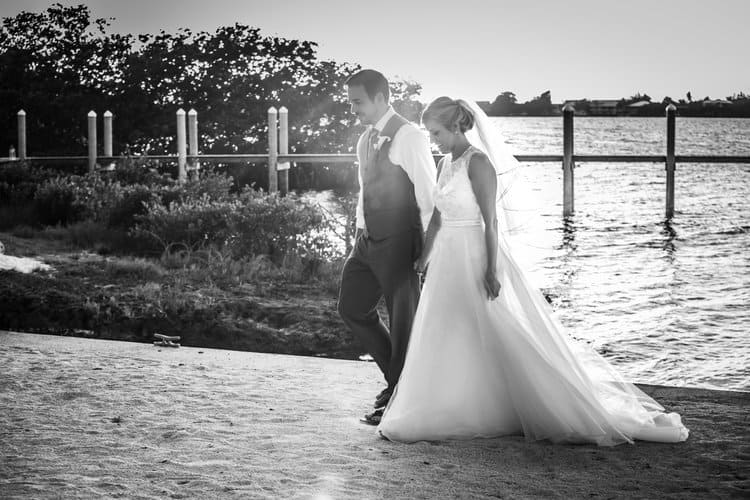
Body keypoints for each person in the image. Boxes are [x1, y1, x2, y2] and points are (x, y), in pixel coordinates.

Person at [376, 97, 689, 445]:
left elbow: (491, 223)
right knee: (446, 327)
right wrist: (424, 257)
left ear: (453, 126)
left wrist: (491, 270)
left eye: (435, 132)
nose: (432, 139)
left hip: (473, 253)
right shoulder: (444, 163)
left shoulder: (478, 164)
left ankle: (519, 401)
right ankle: (450, 400)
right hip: (446, 258)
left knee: (493, 328)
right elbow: (436, 216)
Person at [337, 69, 436, 424]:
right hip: (365, 241)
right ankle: (396, 380)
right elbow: (366, 191)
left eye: (358, 102)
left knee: (403, 321)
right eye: (350, 102)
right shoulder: (364, 139)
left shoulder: (410, 136)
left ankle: (400, 394)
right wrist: (359, 233)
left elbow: (428, 195)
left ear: (382, 98)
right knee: (351, 307)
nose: (353, 109)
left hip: (401, 241)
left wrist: (428, 252)